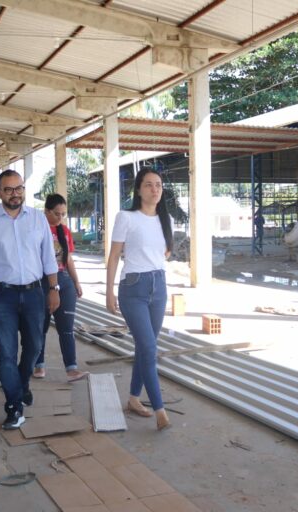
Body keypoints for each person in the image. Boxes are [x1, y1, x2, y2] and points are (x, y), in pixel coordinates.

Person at [0, 169, 60, 430]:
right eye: (8, 189)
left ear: (24, 189)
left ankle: (21, 386)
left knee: (34, 346)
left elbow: (48, 257)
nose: (15, 194)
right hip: (2, 296)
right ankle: (14, 406)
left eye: (19, 188)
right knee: (7, 353)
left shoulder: (37, 219)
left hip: (34, 293)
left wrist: (54, 288)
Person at [105, 169, 173, 431]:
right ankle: (160, 410)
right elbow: (113, 257)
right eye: (148, 185)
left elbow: (164, 252)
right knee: (149, 348)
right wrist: (109, 291)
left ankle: (134, 398)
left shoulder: (164, 219)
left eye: (158, 185)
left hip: (159, 286)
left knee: (146, 347)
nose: (155, 189)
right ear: (138, 190)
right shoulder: (126, 217)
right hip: (133, 288)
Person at [33, 194, 88, 383]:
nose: (60, 218)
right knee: (41, 326)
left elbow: (68, 259)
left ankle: (71, 368)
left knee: (66, 328)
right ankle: (38, 364)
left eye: (63, 214)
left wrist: (76, 282)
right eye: (57, 214)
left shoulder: (64, 230)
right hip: (42, 281)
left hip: (64, 281)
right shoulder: (36, 229)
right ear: (46, 211)